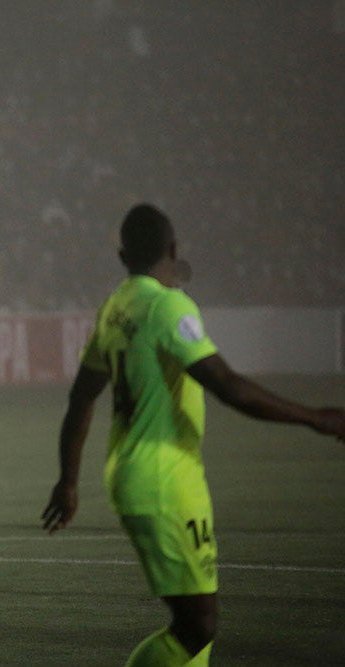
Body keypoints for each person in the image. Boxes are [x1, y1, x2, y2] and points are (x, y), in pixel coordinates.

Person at [41, 203, 345, 666]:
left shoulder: (116, 306)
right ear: (174, 248)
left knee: (198, 623)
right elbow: (228, 385)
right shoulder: (168, 306)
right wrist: (318, 418)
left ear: (123, 256)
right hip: (164, 478)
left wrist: (68, 480)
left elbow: (81, 397)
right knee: (197, 624)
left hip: (137, 472)